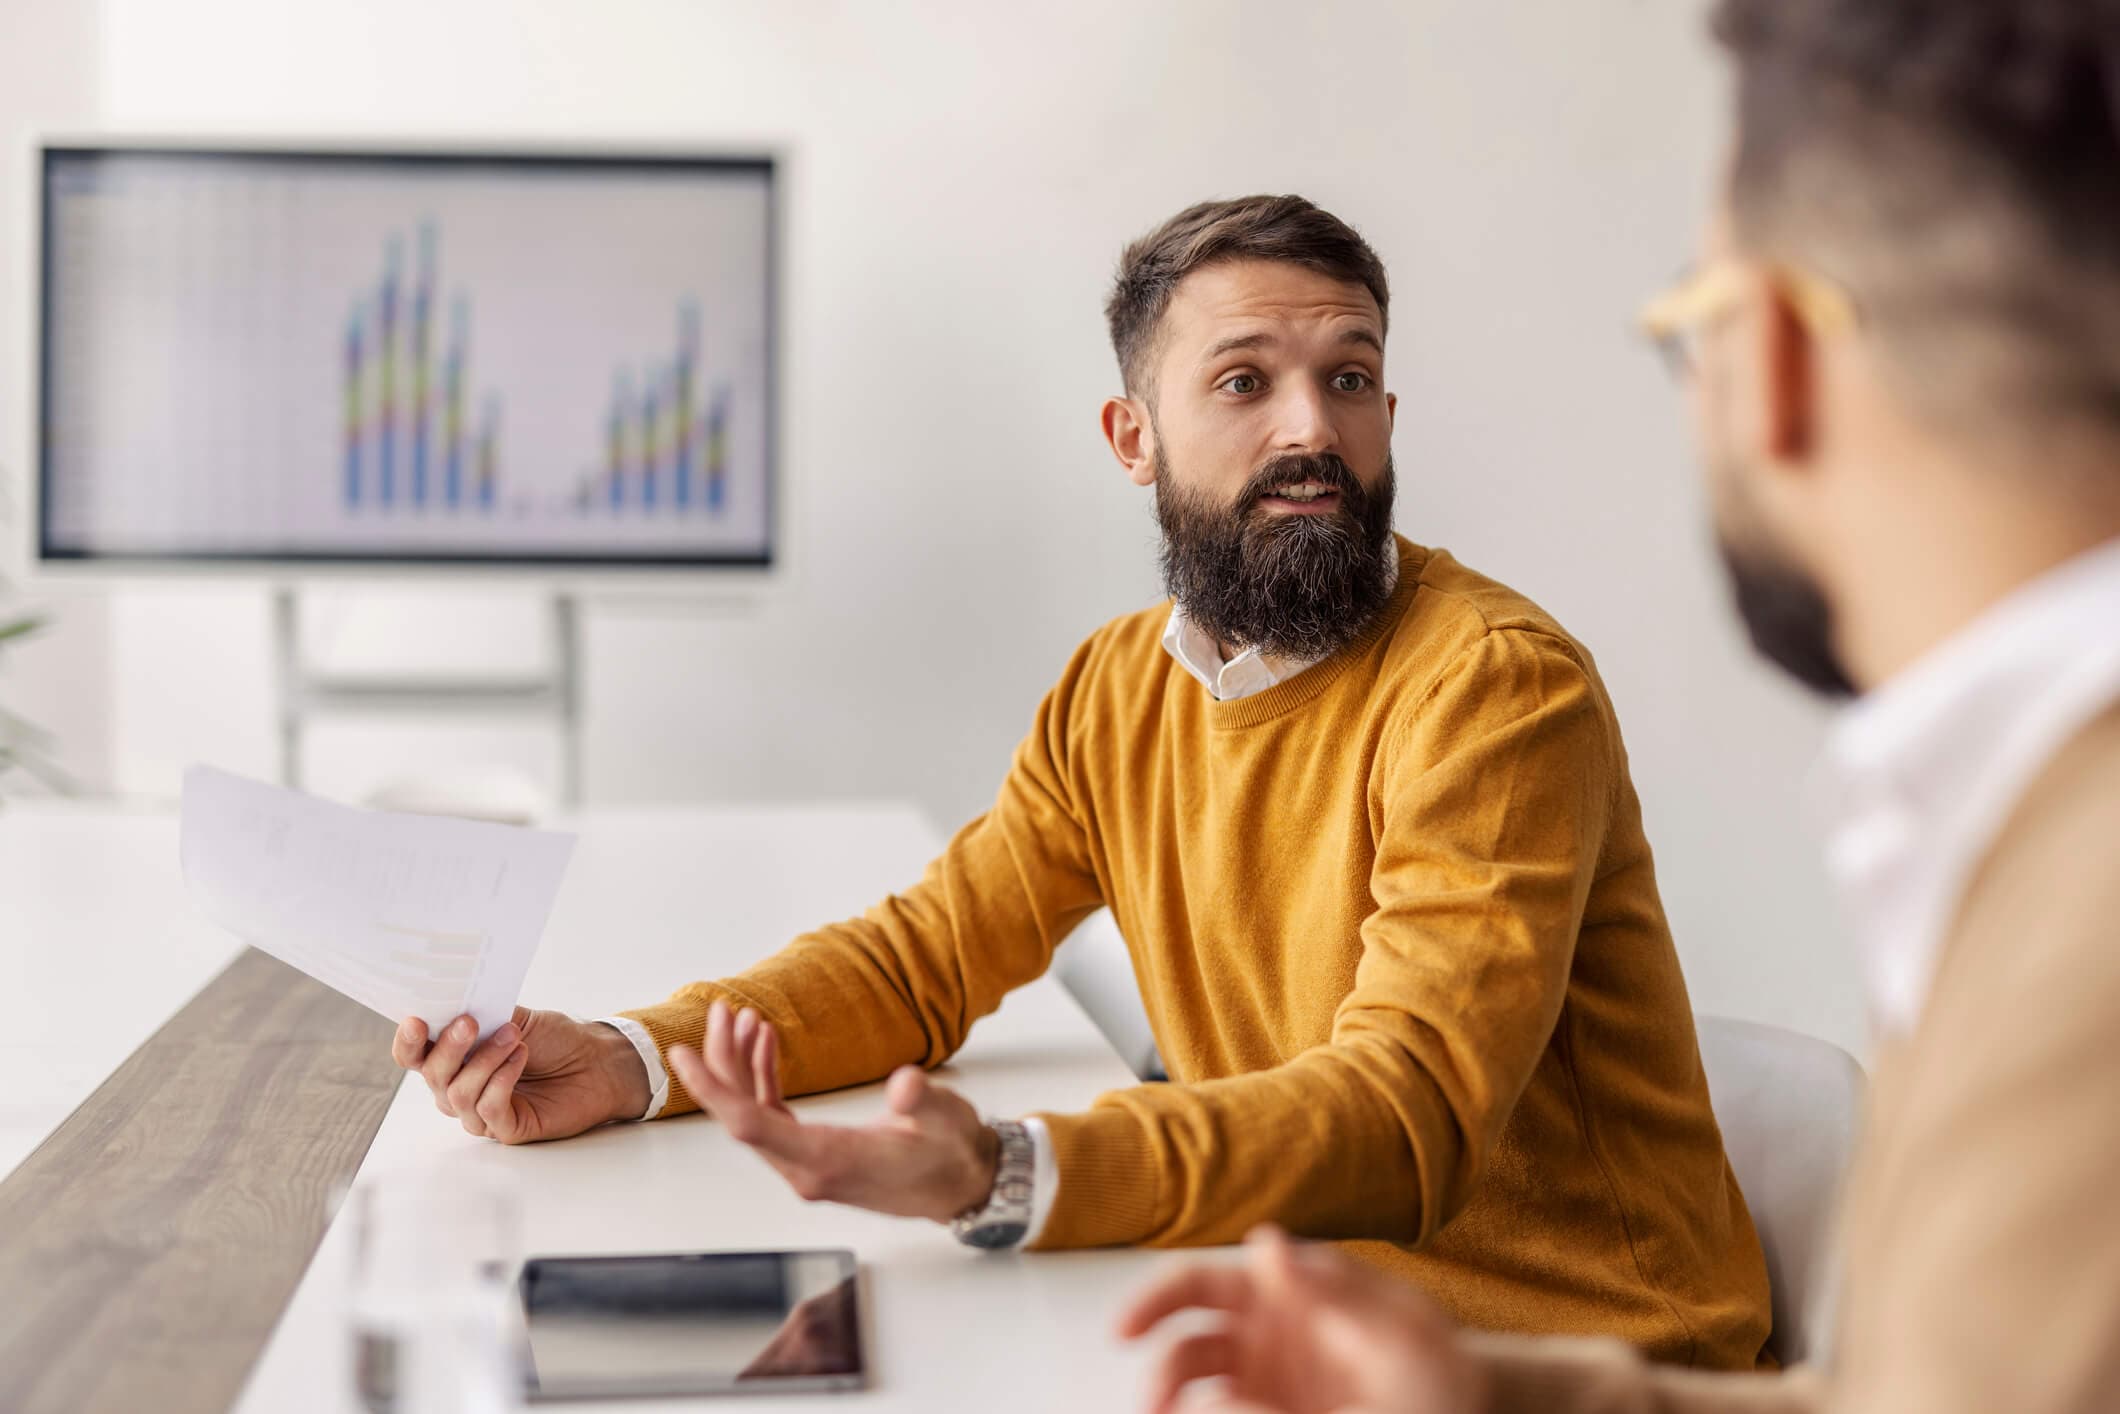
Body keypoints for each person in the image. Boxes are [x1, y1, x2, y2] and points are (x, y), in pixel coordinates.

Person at [394, 195, 1769, 1366]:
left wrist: (1009, 1169)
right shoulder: (1120, 690)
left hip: (1582, 1362)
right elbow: (926, 959)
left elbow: (1406, 1114)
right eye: (1246, 382)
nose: (1312, 427)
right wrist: (633, 1060)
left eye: (1348, 378)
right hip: (1315, 1329)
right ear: (1132, 439)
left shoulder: (1495, 688)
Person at [1121, 3, 2120, 1411]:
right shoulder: (2015, 826)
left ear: (1765, 355)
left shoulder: (2079, 919)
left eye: (1688, 325)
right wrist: (1489, 1393)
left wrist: (1025, 1169)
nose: (1310, 430)